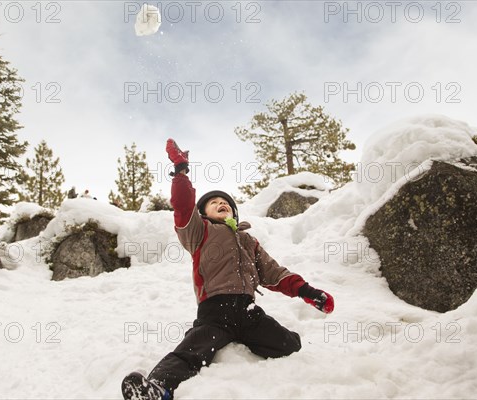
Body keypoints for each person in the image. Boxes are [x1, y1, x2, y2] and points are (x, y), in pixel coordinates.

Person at [121, 139, 334, 400]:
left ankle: (249, 340)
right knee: (190, 352)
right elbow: (183, 205)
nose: (222, 204)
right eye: (214, 203)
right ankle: (157, 389)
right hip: (214, 313)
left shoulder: (248, 240)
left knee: (290, 344)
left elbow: (274, 273)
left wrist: (306, 291)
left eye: (226, 203)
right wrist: (181, 170)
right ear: (204, 213)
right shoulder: (199, 231)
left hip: (248, 312)